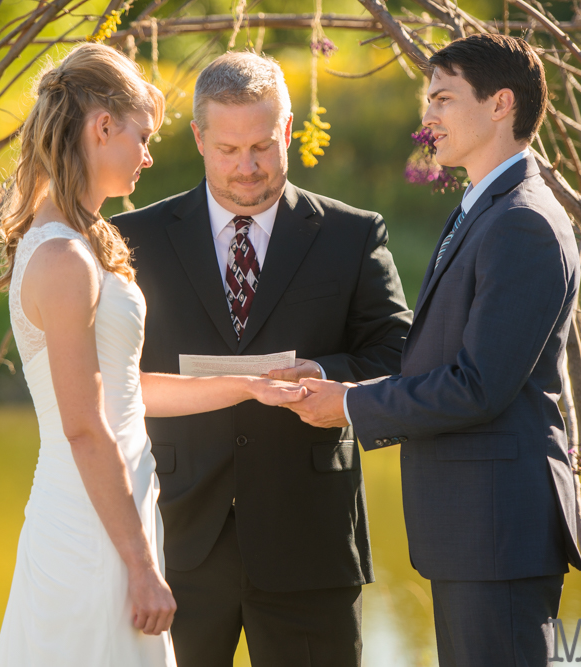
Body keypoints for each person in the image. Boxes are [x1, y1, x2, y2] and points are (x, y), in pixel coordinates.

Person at [0, 43, 306, 667]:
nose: (149, 154)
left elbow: (125, 390)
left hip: (118, 509)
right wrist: (139, 565)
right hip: (90, 526)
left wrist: (249, 384)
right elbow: (83, 427)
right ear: (103, 127)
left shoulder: (83, 242)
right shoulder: (62, 258)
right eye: (142, 135)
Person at [289, 34, 581, 666]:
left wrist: (350, 405)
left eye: (444, 99)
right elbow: (438, 351)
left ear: (502, 103)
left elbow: (478, 385)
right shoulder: (484, 208)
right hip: (477, 534)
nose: (427, 119)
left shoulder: (522, 222)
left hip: (499, 533)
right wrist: (328, 373)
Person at [113, 51, 413, 667]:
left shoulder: (353, 235)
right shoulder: (135, 238)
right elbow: (114, 376)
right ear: (198, 138)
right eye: (227, 150)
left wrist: (328, 376)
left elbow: (399, 350)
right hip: (175, 540)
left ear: (289, 129)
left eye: (263, 146)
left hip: (311, 543)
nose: (247, 168)